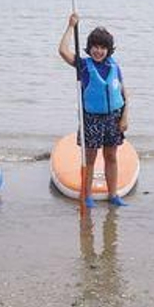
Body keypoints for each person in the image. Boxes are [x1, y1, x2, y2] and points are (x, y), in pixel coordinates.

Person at [57, 13, 130, 207]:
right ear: (89, 48)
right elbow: (63, 51)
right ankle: (87, 195)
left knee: (111, 156)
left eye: (103, 47)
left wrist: (125, 117)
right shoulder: (83, 66)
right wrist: (70, 26)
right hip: (92, 119)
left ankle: (113, 194)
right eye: (95, 47)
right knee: (89, 158)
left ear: (108, 50)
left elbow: (124, 93)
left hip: (113, 117)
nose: (98, 51)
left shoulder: (114, 66)